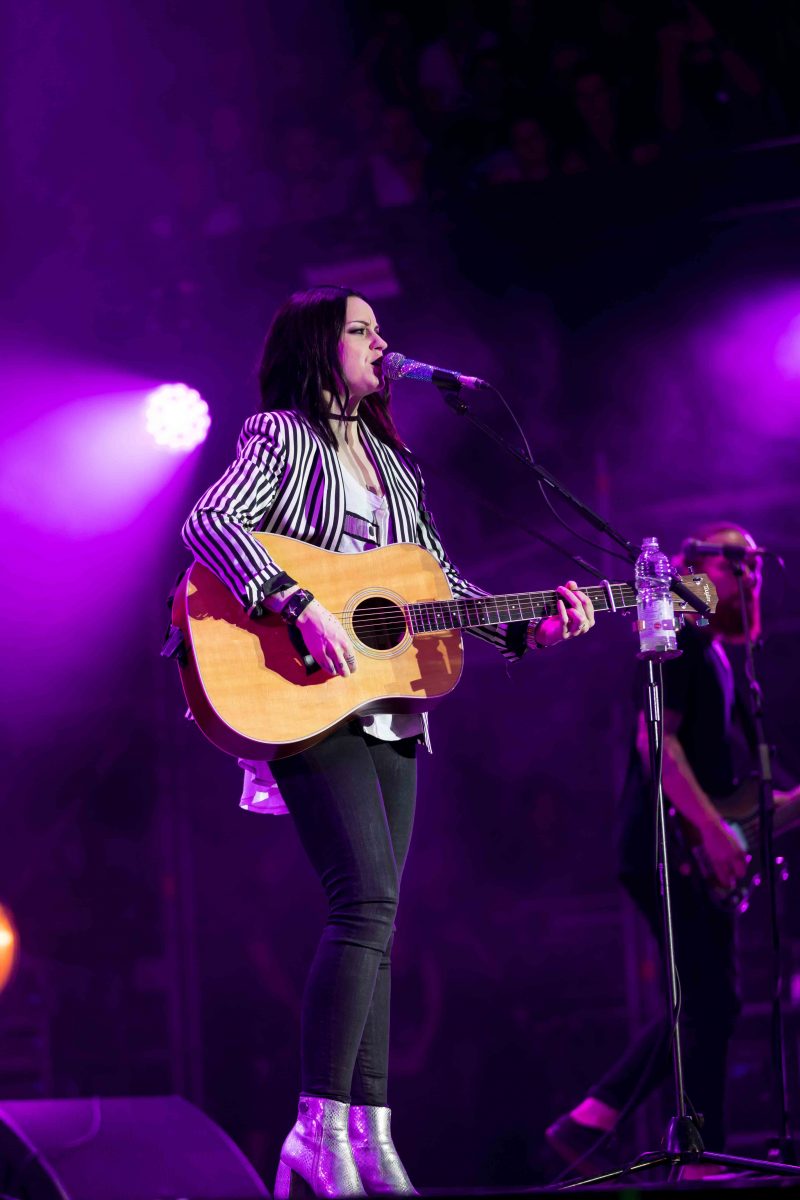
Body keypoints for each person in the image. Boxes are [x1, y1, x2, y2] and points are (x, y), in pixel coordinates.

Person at [181, 285, 596, 1198]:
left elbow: (434, 585)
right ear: (317, 347)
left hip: (388, 702)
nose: (381, 343)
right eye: (361, 330)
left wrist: (526, 626)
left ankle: (366, 1137)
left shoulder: (397, 467)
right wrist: (294, 602)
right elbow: (209, 522)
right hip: (304, 688)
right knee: (363, 903)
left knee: (380, 917)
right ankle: (315, 1130)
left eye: (380, 329)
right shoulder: (280, 436)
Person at [546, 522, 794, 1180]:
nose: (750, 572)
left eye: (755, 563)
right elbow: (656, 742)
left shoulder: (722, 654)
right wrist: (712, 830)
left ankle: (596, 1122)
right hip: (669, 843)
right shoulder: (680, 636)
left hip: (693, 841)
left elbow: (727, 776)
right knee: (707, 997)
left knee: (712, 999)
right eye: (735, 560)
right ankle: (692, 1153)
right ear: (690, 567)